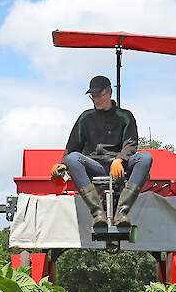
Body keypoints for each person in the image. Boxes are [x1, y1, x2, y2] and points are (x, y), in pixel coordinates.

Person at [51, 75, 153, 227]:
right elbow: (73, 146)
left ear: (109, 92)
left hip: (119, 168)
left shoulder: (125, 116)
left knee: (145, 158)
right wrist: (62, 165)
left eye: (99, 95)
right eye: (93, 96)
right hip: (95, 167)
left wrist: (120, 159)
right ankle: (98, 214)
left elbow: (131, 144)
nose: (96, 99)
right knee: (72, 158)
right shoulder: (86, 118)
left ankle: (122, 213)